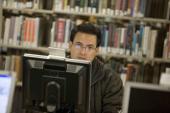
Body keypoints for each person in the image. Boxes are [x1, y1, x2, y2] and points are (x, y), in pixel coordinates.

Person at [69, 22, 123, 113]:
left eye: (89, 47)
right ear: (70, 45)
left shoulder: (111, 80)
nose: (83, 52)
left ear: (96, 51)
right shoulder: (55, 70)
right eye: (78, 45)